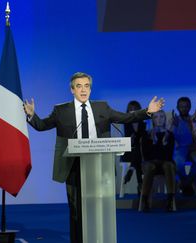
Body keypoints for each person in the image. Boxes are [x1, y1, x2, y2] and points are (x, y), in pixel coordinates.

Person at [23, 72, 164, 243]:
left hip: (99, 164)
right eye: (79, 86)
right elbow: (42, 125)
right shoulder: (61, 111)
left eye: (87, 86)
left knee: (98, 207)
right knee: (76, 209)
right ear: (72, 90)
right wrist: (31, 115)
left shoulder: (102, 108)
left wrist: (147, 111)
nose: (83, 90)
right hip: (73, 165)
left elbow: (126, 118)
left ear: (90, 88)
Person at [139, 110, 176, 212]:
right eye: (156, 117)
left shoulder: (169, 135)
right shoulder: (147, 134)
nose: (159, 119)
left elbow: (169, 155)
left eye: (162, 117)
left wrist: (164, 142)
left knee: (168, 165)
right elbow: (146, 155)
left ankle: (170, 200)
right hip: (150, 163)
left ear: (165, 119)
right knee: (151, 166)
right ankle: (145, 200)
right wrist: (155, 143)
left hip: (165, 163)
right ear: (153, 120)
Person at [171, 97, 196, 196]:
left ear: (190, 107)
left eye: (186, 106)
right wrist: (174, 126)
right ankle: (186, 184)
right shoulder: (174, 120)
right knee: (177, 164)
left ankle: (185, 183)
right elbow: (170, 137)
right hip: (180, 148)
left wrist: (192, 123)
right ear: (177, 107)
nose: (184, 109)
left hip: (193, 148)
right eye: (181, 107)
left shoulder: (195, 120)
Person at [121, 100, 147, 194]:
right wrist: (129, 140)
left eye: (135, 109)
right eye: (130, 109)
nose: (132, 111)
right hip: (128, 151)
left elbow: (144, 139)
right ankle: (140, 185)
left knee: (138, 156)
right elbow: (125, 140)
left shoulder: (143, 123)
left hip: (141, 151)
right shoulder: (125, 123)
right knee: (138, 158)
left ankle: (131, 169)